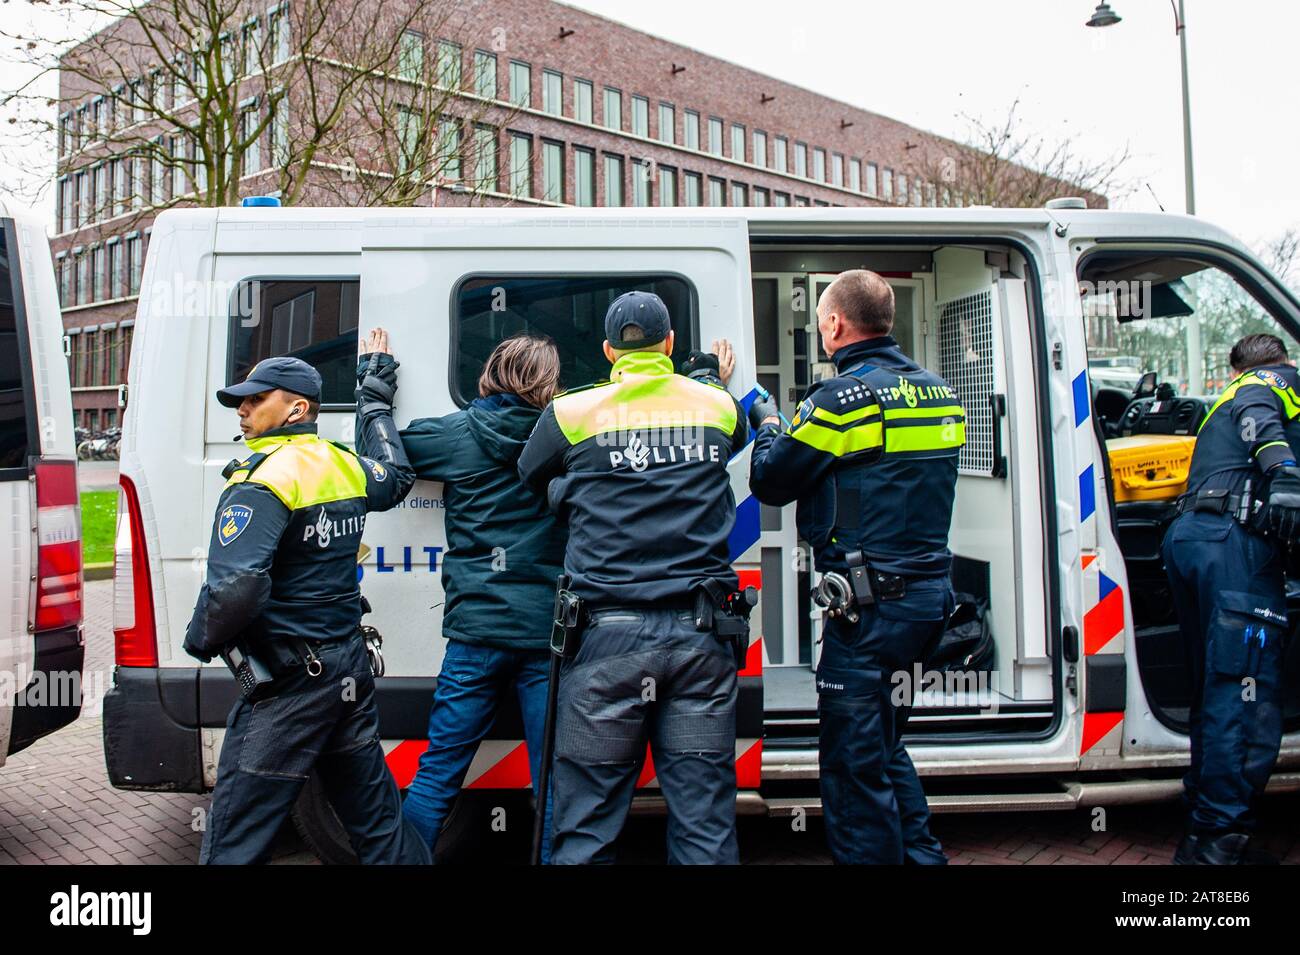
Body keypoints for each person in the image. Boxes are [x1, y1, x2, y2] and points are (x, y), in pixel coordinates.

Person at [517, 291, 750, 864]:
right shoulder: (718, 406)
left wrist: (571, 489)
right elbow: (732, 445)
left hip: (606, 642)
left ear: (608, 350)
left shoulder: (572, 412)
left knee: (589, 824)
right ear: (669, 344)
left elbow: (530, 475)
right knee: (705, 822)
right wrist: (705, 379)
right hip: (701, 638)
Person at [748, 269, 965, 865]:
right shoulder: (941, 391)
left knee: (851, 770)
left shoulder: (841, 399)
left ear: (835, 323)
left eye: (822, 319)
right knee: (885, 748)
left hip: (868, 616)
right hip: (925, 605)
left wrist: (768, 423)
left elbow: (772, 481)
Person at [183, 349, 430, 864]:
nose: (242, 410)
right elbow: (395, 477)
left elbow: (238, 589)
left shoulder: (262, 480)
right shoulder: (342, 464)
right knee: (377, 821)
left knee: (235, 833)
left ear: (296, 410)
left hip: (291, 682)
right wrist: (374, 397)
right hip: (346, 670)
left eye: (255, 399)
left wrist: (201, 639)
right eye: (241, 401)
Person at [354, 330, 567, 862]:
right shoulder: (567, 437)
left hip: (474, 635)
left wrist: (374, 391)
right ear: (549, 383)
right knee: (556, 785)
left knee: (437, 776)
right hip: (547, 638)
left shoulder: (459, 435)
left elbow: (385, 459)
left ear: (490, 373)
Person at [1163, 332, 1300, 865]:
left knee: (1215, 689)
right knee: (1245, 699)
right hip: (1236, 546)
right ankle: (1217, 850)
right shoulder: (1272, 381)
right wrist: (1285, 473)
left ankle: (1203, 820)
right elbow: (1260, 406)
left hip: (1194, 540)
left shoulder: (1221, 402)